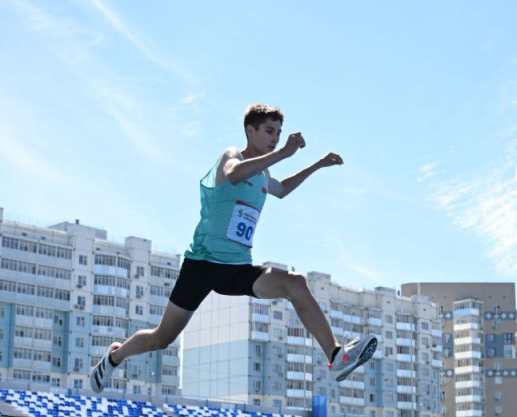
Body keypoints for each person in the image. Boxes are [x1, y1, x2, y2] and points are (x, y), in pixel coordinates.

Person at [90, 104, 377, 393]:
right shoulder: (233, 156)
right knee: (161, 339)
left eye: (278, 132)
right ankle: (116, 356)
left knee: (295, 283)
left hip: (237, 269)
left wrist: (317, 164)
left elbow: (283, 189)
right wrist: (283, 154)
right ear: (250, 131)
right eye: (268, 131)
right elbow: (233, 174)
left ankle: (335, 355)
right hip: (201, 265)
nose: (275, 138)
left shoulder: (264, 175)